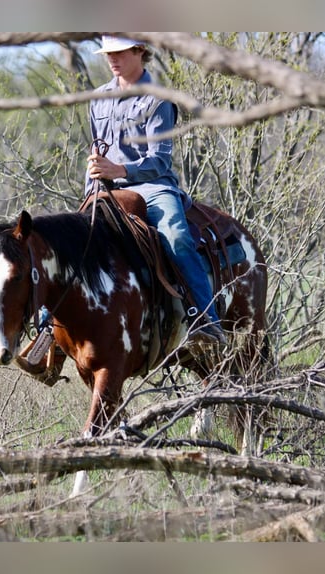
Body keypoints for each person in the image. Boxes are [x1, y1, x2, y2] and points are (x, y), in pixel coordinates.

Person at [85, 35, 225, 345]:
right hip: (105, 189)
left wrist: (120, 170)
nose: (112, 58)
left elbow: (159, 161)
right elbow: (96, 154)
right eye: (109, 52)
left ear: (140, 51)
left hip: (152, 187)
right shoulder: (97, 98)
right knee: (68, 240)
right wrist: (89, 190)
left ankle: (206, 320)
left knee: (177, 237)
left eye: (120, 51)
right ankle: (46, 331)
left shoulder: (158, 98)